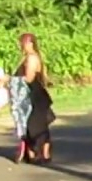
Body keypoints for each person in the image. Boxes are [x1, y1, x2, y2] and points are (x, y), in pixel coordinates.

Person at [14, 32, 55, 164]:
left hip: (34, 94)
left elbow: (29, 78)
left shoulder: (31, 58)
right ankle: (39, 153)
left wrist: (11, 80)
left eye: (24, 43)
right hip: (32, 93)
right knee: (37, 124)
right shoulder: (27, 57)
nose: (22, 46)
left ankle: (39, 153)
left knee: (35, 125)